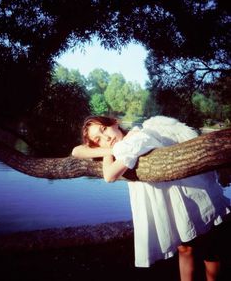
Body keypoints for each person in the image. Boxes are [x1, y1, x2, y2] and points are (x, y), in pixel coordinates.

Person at [72, 115, 231, 281]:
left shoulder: (138, 138)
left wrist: (104, 151)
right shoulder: (120, 147)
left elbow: (109, 175)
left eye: (104, 129)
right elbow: (76, 151)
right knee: (185, 249)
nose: (106, 137)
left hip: (187, 196)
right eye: (98, 139)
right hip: (170, 203)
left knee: (209, 249)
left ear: (114, 122)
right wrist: (109, 149)